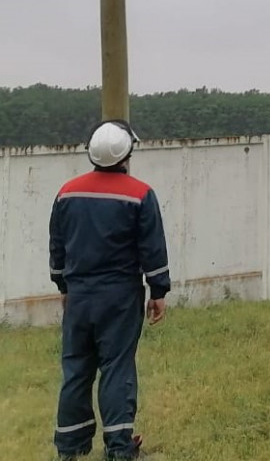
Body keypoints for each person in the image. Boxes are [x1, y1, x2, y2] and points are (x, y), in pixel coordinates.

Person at [49, 120, 171, 460]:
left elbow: (57, 247)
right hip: (119, 296)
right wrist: (158, 291)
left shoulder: (67, 192)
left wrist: (63, 286)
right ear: (127, 153)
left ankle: (69, 448)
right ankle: (119, 448)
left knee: (76, 369)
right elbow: (153, 249)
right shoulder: (140, 194)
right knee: (117, 367)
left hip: (79, 296)